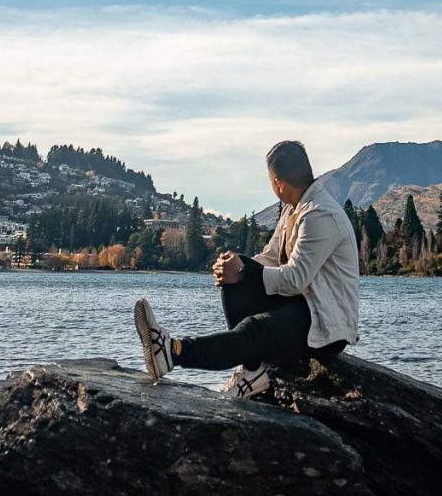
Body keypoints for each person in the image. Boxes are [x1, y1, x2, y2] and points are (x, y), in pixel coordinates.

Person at [134, 140, 360, 398]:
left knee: (254, 329)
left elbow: (296, 278)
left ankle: (173, 352)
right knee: (238, 272)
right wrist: (235, 266)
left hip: (326, 324)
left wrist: (243, 272)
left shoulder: (320, 214)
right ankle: (254, 370)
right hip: (303, 305)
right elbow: (271, 257)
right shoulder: (294, 209)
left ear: (278, 183)